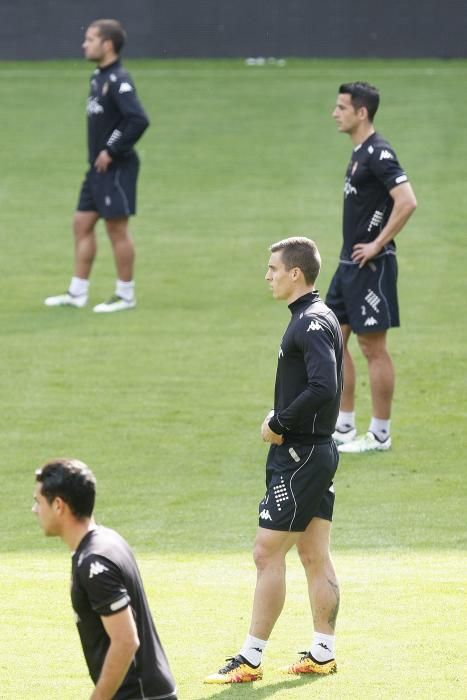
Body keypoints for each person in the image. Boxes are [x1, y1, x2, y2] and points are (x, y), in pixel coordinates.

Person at [204, 237, 343, 684]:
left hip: (300, 454)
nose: (267, 276)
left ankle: (249, 658)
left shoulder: (310, 322)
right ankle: (322, 653)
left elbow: (324, 386)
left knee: (266, 553)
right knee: (313, 553)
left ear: (295, 274)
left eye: (272, 268)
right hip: (314, 452)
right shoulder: (315, 319)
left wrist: (279, 422)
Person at [32, 458, 177, 700]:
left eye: (38, 502)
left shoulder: (94, 563)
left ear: (58, 505)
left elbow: (126, 641)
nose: (35, 510)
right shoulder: (108, 541)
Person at [327, 81, 417, 453]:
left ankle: (380, 434)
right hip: (347, 264)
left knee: (372, 348)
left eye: (342, 107)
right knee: (333, 341)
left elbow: (407, 200)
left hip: (371, 266)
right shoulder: (359, 153)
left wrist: (378, 244)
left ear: (361, 113)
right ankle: (344, 425)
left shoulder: (379, 154)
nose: (335, 113)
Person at [44, 19, 149, 313]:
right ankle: (77, 293)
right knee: (81, 223)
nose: (84, 44)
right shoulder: (98, 77)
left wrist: (111, 149)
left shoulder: (118, 80)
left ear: (107, 44)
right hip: (96, 170)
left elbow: (138, 119)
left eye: (90, 39)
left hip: (115, 168)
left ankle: (125, 295)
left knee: (117, 229)